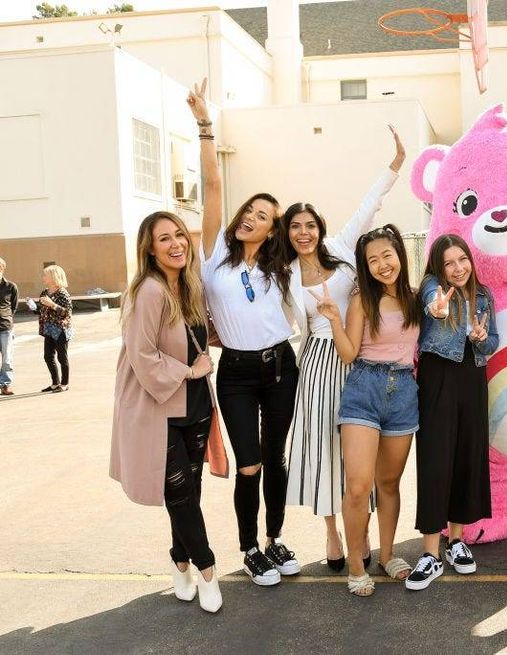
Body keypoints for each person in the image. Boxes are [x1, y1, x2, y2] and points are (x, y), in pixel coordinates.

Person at [189, 78, 299, 586]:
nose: (249, 219)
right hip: (235, 372)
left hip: (281, 366)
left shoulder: (279, 268)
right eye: (248, 212)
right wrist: (205, 124)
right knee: (249, 464)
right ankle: (249, 546)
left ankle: (276, 540)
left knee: (275, 458)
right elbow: (212, 186)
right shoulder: (215, 259)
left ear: (272, 230)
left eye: (261, 217)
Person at [283, 126, 405, 573]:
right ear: (288, 233)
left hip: (363, 359)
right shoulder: (285, 275)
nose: (304, 233)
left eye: (309, 225)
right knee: (325, 451)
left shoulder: (342, 249)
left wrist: (395, 164)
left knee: (363, 453)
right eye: (295, 227)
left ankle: (364, 530)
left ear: (320, 227)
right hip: (318, 362)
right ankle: (333, 531)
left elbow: (369, 204)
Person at [109, 211, 223, 613]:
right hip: (158, 407)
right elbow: (142, 354)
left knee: (189, 493)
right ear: (149, 248)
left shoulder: (189, 286)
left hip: (194, 404)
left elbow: (198, 336)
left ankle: (180, 562)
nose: (176, 244)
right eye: (164, 239)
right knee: (179, 491)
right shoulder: (149, 291)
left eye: (179, 235)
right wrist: (190, 370)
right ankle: (207, 570)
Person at [312, 224, 420, 597]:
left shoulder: (417, 298)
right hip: (363, 389)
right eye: (372, 260)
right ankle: (357, 564)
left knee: (388, 483)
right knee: (358, 486)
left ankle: (389, 555)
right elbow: (347, 353)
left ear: (399, 256)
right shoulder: (362, 301)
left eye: (386, 256)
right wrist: (334, 319)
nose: (381, 264)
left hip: (404, 392)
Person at [407, 234, 499, 591]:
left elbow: (493, 340)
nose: (458, 268)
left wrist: (481, 338)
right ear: (438, 267)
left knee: (466, 457)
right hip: (438, 377)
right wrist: (437, 308)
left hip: (473, 378)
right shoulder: (432, 286)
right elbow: (433, 304)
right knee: (435, 461)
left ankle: (456, 541)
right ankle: (430, 552)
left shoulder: (484, 294)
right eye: (449, 263)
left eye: (463, 260)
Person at [31, 265, 73, 393]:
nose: (43, 277)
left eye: (45, 275)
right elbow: (42, 311)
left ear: (53, 277)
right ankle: (55, 383)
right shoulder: (44, 292)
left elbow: (67, 313)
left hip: (61, 329)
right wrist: (34, 308)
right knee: (48, 356)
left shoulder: (63, 293)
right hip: (48, 328)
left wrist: (53, 305)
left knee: (62, 357)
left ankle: (65, 384)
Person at [0, 257, 17, 396]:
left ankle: (5, 385)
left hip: (5, 327)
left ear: (1, 269)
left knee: (7, 359)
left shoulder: (11, 286)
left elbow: (14, 306)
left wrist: (8, 319)